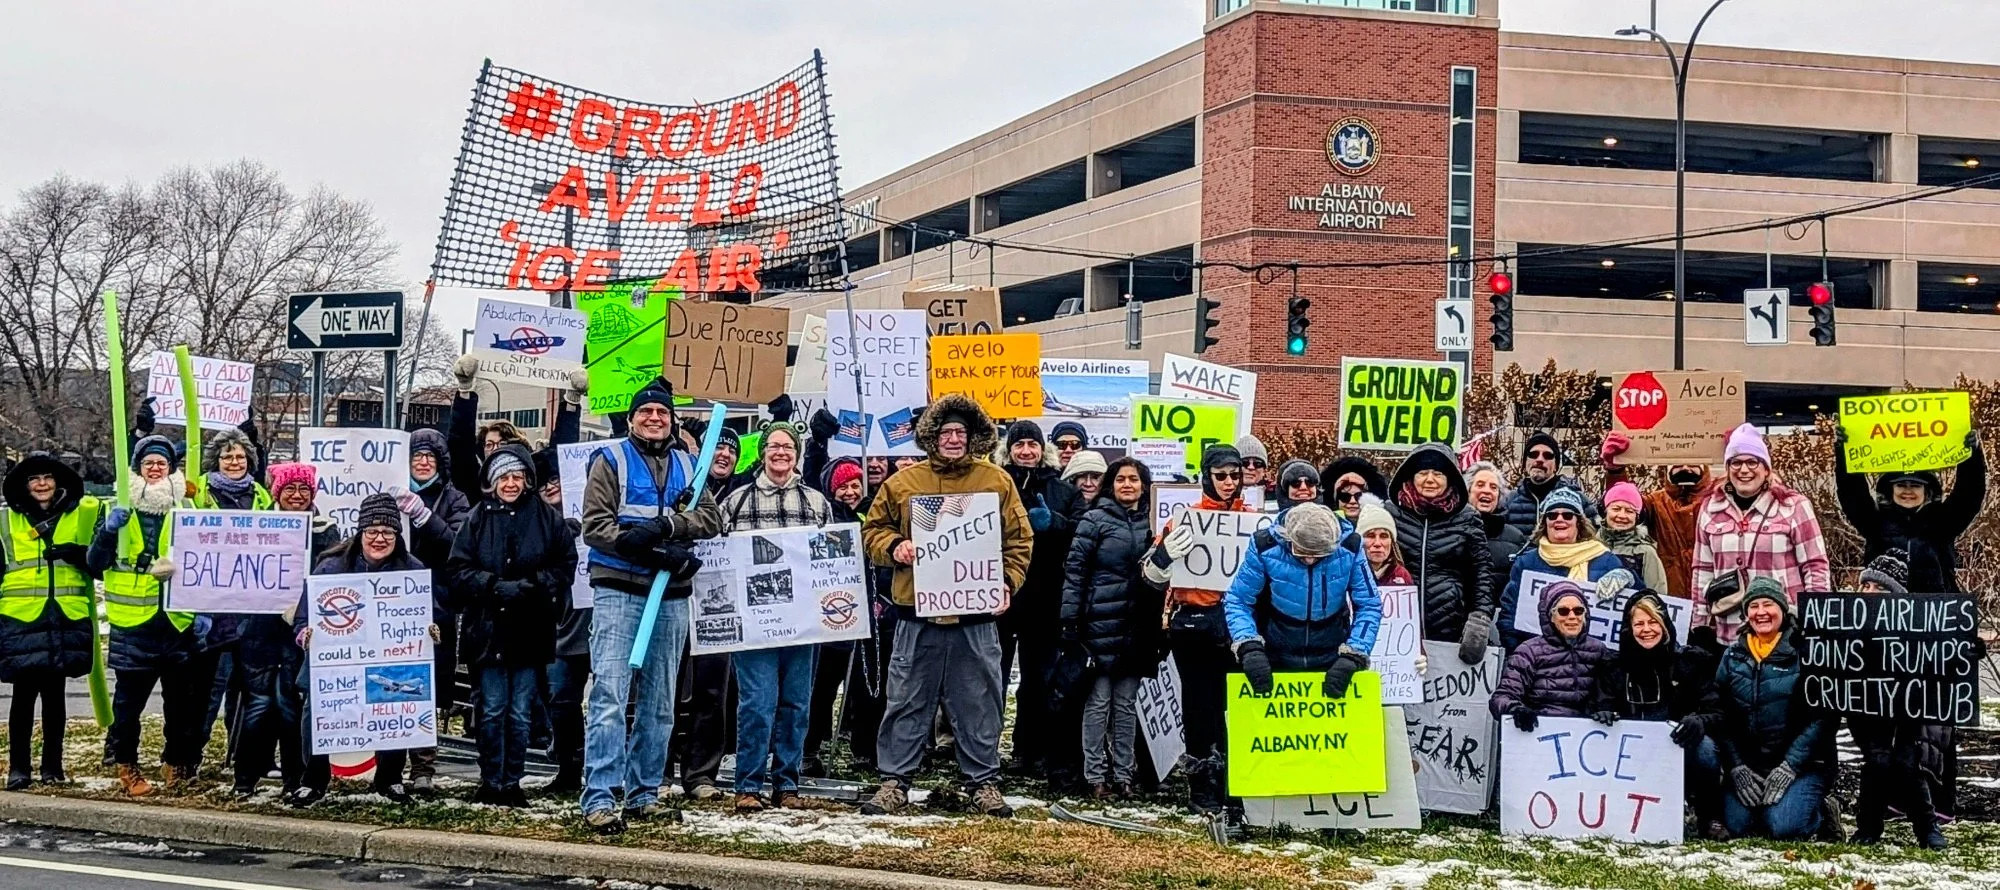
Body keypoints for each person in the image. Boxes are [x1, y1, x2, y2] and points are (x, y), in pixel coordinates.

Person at [859, 394, 1032, 818]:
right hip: (917, 614)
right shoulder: (902, 483)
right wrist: (894, 547)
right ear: (931, 437)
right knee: (906, 699)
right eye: (946, 432)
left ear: (974, 438)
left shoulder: (997, 482)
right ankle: (894, 781)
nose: (953, 439)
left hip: (975, 616)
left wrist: (1007, 582)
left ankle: (983, 782)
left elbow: (1019, 540)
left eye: (961, 432)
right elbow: (872, 531)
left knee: (980, 700)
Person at [578, 377, 724, 832]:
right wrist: (642, 546)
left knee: (660, 702)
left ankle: (643, 793)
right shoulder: (610, 460)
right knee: (610, 696)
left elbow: (710, 518)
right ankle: (599, 797)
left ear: (672, 419)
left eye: (662, 412)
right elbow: (595, 527)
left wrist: (669, 530)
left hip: (670, 593)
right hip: (619, 589)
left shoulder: (689, 463)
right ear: (632, 418)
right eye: (646, 411)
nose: (654, 418)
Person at [291, 493, 441, 807]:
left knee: (394, 710)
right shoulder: (331, 568)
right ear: (360, 533)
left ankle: (390, 779)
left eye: (387, 532)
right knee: (315, 713)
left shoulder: (411, 570)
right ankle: (313, 780)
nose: (379, 538)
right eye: (372, 531)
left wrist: (430, 630)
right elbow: (304, 616)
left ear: (397, 536)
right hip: (335, 662)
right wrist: (305, 634)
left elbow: (429, 612)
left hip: (389, 659)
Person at [446, 444, 576, 807]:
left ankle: (512, 781)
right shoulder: (477, 518)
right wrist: (492, 586)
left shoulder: (546, 518)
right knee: (491, 709)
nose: (511, 483)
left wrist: (533, 586)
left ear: (527, 480)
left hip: (530, 630)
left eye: (517, 476)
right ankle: (491, 780)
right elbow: (458, 569)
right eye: (504, 476)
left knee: (520, 712)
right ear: (492, 480)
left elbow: (565, 564)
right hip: (486, 631)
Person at [717, 422, 831, 812]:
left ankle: (787, 785)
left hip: (803, 623)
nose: (781, 453)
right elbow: (719, 558)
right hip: (755, 625)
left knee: (796, 705)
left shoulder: (816, 503)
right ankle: (748, 785)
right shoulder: (737, 502)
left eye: (788, 447)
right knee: (756, 704)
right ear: (763, 452)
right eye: (774, 446)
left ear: (797, 455)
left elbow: (830, 561)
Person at [88, 435, 209, 797]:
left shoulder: (186, 508)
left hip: (176, 621)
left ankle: (175, 762)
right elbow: (95, 564)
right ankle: (127, 765)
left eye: (161, 463)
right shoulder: (118, 508)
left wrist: (202, 609)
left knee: (181, 705)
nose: (155, 469)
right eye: (148, 463)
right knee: (128, 707)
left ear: (171, 469)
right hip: (133, 624)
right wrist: (108, 532)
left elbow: (205, 563)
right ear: (137, 468)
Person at [1146, 443, 1254, 817]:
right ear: (1207, 477)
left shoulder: (1254, 521)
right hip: (1194, 623)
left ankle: (1236, 785)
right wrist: (1165, 554)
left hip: (1238, 625)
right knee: (1198, 708)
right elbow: (1151, 576)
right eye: (1221, 475)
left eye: (1235, 475)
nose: (1229, 482)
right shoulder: (1184, 520)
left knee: (1236, 707)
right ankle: (1202, 786)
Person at [229, 463, 338, 800]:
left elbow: (332, 576)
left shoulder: (325, 531)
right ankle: (245, 779)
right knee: (258, 706)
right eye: (290, 489)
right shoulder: (257, 527)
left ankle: (296, 780)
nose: (297, 495)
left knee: (293, 707)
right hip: (259, 633)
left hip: (301, 635)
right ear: (277, 493)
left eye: (304, 489)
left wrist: (303, 609)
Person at [1060, 457, 1164, 801]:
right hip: (1099, 624)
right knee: (1098, 702)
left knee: (1126, 704)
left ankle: (1124, 776)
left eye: (1134, 479)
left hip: (1137, 626)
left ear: (1144, 485)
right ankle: (1095, 776)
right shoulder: (1093, 520)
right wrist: (1070, 619)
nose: (1127, 485)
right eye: (1121, 479)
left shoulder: (1155, 523)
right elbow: (1075, 572)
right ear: (1111, 484)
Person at [2, 452, 101, 791]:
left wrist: (80, 556)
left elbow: (101, 565)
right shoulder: (6, 520)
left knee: (56, 697)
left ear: (58, 482)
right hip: (22, 619)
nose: (42, 484)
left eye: (47, 477)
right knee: (22, 698)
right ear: (25, 485)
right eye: (35, 479)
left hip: (65, 616)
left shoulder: (81, 515)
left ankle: (53, 767)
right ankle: (19, 768)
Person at [1711, 578, 1838, 841]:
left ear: (1782, 608)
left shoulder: (1806, 650)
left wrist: (1790, 766)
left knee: (1784, 827)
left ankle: (1823, 812)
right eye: (1753, 606)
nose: (1761, 612)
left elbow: (1824, 716)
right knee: (1736, 825)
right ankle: (1768, 808)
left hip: (1802, 765)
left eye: (1768, 604)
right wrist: (1736, 767)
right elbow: (1719, 714)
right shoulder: (1732, 656)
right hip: (1751, 766)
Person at [1594, 591, 1726, 839]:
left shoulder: (1690, 662)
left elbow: (1717, 712)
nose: (1647, 629)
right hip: (1629, 759)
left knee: (1706, 750)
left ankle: (1709, 816)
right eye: (1639, 624)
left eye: (1653, 622)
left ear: (1664, 625)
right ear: (1629, 628)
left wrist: (1699, 721)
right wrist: (1603, 714)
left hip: (1677, 752)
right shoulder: (1613, 667)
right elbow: (1602, 705)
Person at [1224, 503, 1381, 703]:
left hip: (1332, 649)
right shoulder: (1264, 546)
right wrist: (1248, 645)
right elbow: (1238, 599)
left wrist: (1355, 653)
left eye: (1318, 555)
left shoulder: (1350, 546)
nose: (1309, 560)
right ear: (1288, 539)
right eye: (1301, 552)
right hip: (1276, 648)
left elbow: (1369, 604)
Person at [996, 420, 1082, 786]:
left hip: (1045, 599)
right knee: (992, 677)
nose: (1026, 451)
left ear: (1042, 449)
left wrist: (1054, 523)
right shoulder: (996, 484)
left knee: (1037, 680)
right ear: (1009, 449)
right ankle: (983, 750)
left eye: (1032, 444)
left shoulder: (1063, 489)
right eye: (1019, 445)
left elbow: (1080, 531)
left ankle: (1027, 750)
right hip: (1000, 596)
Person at [1847, 551, 1951, 848]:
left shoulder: (1919, 630)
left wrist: (1968, 651)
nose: (1870, 593)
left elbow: (1944, 660)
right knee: (1878, 760)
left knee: (1906, 762)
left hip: (1910, 713)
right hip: (1866, 712)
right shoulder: (1848, 626)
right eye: (1866, 586)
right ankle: (1868, 827)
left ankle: (1927, 827)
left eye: (1879, 588)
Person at [1691, 424, 1831, 644]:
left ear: (1766, 469)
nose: (1744, 470)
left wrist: (1815, 620)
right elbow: (1702, 570)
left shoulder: (1793, 506)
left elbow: (1815, 566)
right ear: (1727, 468)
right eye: (1736, 462)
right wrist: (1699, 625)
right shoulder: (1710, 508)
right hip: (1730, 632)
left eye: (1752, 462)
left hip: (1784, 632)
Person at [1835, 429, 1984, 593]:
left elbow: (1969, 495)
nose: (1907, 491)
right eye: (1901, 485)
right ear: (1891, 489)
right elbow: (1853, 495)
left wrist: (1971, 456)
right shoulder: (1875, 522)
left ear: (1927, 491)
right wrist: (1845, 452)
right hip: (1885, 607)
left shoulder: (1943, 522)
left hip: (1937, 605)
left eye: (1915, 485)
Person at [405, 428, 471, 792]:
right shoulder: (389, 491)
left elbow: (457, 542)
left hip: (435, 603)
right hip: (390, 603)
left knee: (424, 686)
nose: (423, 462)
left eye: (429, 457)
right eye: (416, 456)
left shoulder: (454, 498)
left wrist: (423, 517)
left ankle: (423, 767)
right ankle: (387, 765)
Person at [1386, 443, 1493, 663]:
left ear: (1450, 478)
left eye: (1438, 474)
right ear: (1411, 476)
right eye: (1422, 473)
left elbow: (1481, 571)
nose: (1430, 480)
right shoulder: (1390, 513)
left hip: (1451, 627)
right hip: (1397, 626)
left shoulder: (1468, 517)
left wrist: (1480, 619)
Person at [1495, 489, 1626, 651]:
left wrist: (1627, 577)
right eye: (1552, 515)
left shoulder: (1606, 561)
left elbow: (1635, 609)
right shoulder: (1526, 563)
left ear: (1579, 522)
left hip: (1592, 659)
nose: (1559, 519)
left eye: (1568, 515)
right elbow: (1509, 615)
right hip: (1537, 659)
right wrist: (1521, 653)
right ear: (1545, 523)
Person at [531, 446, 590, 795]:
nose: (550, 487)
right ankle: (569, 769)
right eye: (543, 483)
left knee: (609, 702)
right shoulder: (535, 524)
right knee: (562, 700)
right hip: (560, 625)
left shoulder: (594, 506)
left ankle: (604, 771)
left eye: (554, 479)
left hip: (599, 616)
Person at [804, 456, 864, 778]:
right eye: (844, 486)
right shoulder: (822, 517)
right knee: (820, 689)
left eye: (856, 485)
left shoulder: (865, 516)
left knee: (845, 685)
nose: (851, 491)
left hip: (855, 616)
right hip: (824, 615)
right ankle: (809, 749)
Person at [1601, 435, 1711, 601]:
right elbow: (1624, 502)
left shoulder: (1717, 499)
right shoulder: (1655, 502)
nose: (1685, 468)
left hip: (1708, 597)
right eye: (1678, 464)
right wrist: (1615, 470)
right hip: (1669, 598)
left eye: (1693, 464)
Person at [1488, 580, 1608, 729]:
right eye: (1563, 611)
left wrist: (1607, 711)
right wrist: (1516, 710)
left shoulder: (1600, 650)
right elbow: (1501, 698)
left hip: (1589, 733)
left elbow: (1611, 696)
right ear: (1550, 616)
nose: (1572, 616)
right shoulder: (1528, 652)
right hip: (1541, 732)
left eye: (1578, 610)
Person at [1500, 432, 1597, 539]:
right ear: (1525, 462)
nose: (1540, 459)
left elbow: (1596, 536)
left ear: (1556, 466)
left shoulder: (1579, 500)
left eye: (1547, 456)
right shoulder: (1509, 501)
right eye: (1533, 454)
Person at [1465, 461, 1526, 625]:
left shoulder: (1516, 538)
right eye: (1480, 485)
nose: (1487, 490)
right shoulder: (1451, 531)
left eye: (1493, 487)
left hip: (1498, 625)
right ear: (1468, 491)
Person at [1599, 482, 1669, 596]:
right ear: (1605, 511)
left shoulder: (1645, 552)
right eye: (1616, 509)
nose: (1622, 515)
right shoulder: (1591, 546)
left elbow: (1657, 594)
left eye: (1629, 511)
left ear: (1637, 517)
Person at [1320, 455, 1388, 544]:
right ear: (1336, 499)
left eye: (1358, 496)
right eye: (1344, 496)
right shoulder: (1325, 529)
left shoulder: (1384, 524)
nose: (1352, 501)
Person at [1356, 500, 1411, 586]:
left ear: (1392, 542)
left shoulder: (1402, 575)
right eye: (1370, 535)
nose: (1377, 543)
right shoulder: (1348, 575)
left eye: (1384, 536)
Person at [1236, 435, 1270, 503]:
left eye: (1257, 464)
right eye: (1244, 462)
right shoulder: (1220, 497)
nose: (1251, 467)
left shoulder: (1275, 500)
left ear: (1264, 471)